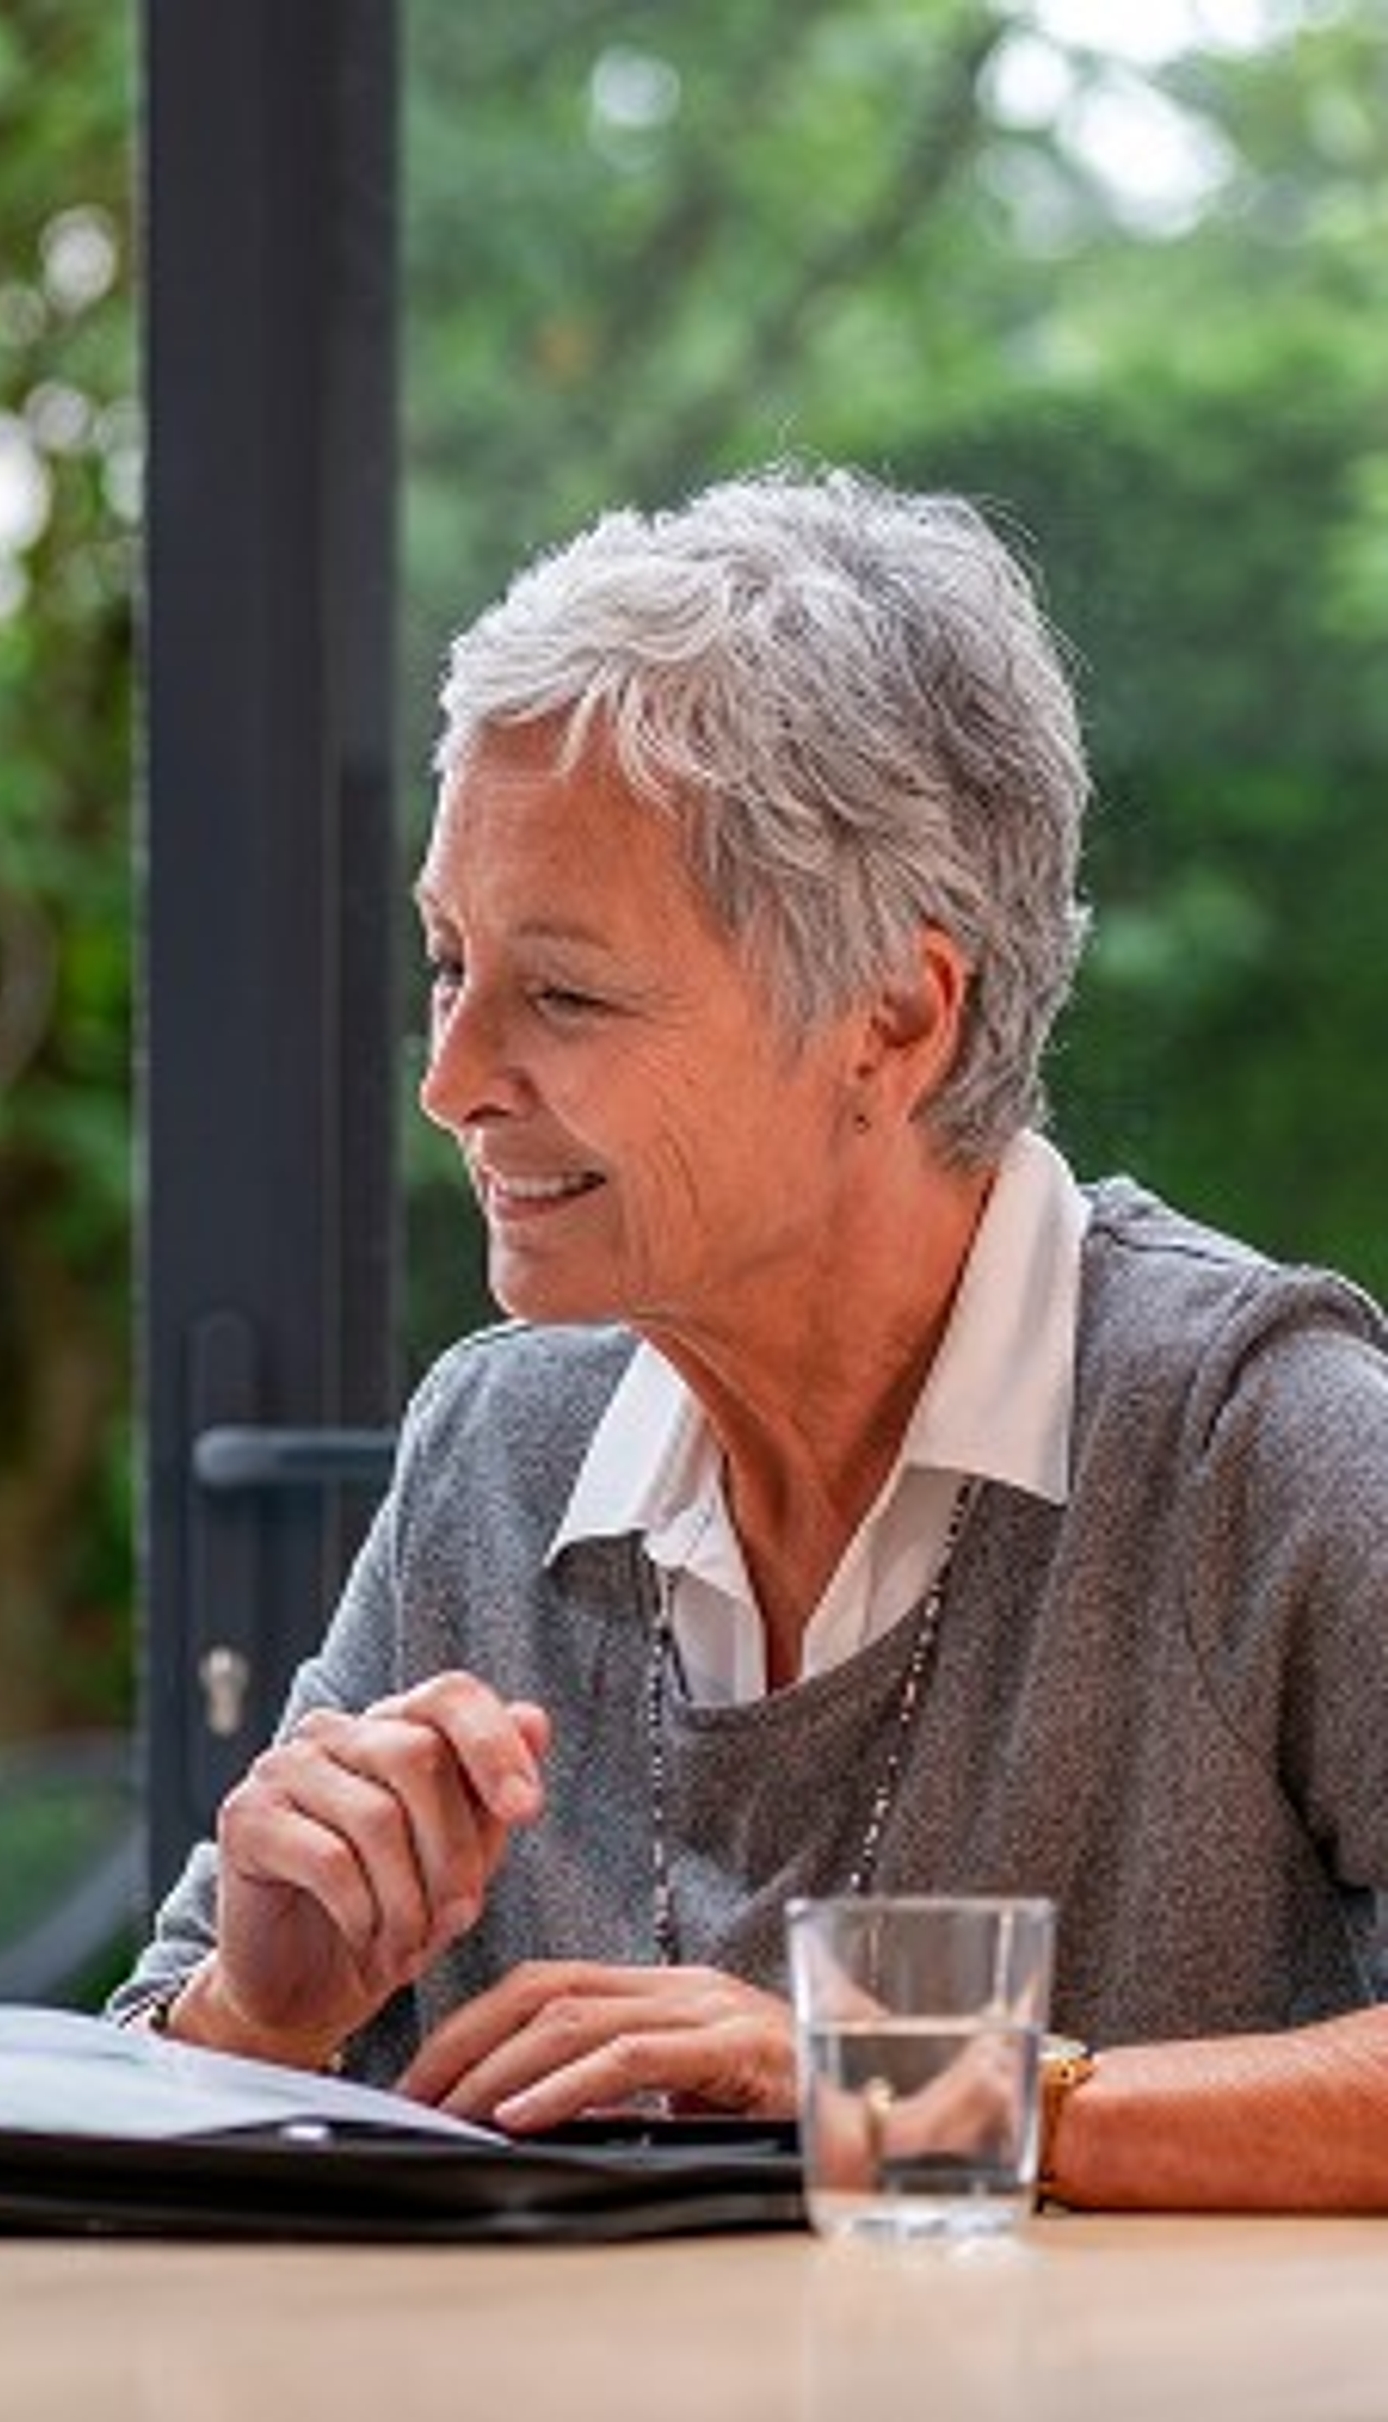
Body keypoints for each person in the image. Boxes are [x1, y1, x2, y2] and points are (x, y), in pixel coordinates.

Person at [108, 464, 1388, 2211]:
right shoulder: (495, 1448)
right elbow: (143, 2086)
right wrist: (264, 2011)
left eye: (563, 990)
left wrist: (888, 2083)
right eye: (448, 962)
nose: (451, 1080)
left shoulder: (1262, 1434)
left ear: (896, 1017)